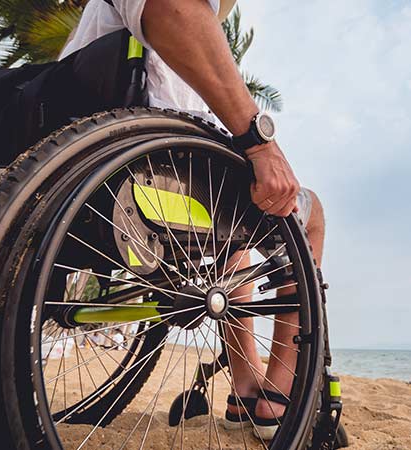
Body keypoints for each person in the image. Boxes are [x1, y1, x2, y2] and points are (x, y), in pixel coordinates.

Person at [62, 0, 327, 438]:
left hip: (92, 176)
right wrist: (261, 146)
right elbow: (171, 6)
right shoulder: (174, 29)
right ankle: (278, 391)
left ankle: (245, 386)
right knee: (310, 213)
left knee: (236, 243)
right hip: (152, 183)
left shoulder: (92, 35)